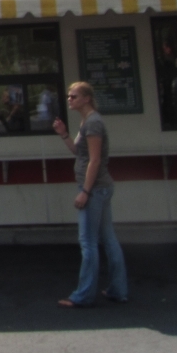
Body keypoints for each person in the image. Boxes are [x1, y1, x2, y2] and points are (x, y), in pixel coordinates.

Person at [54, 81, 128, 308]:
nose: (70, 99)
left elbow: (94, 160)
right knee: (108, 239)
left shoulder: (93, 123)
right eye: (69, 96)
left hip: (94, 189)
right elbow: (81, 154)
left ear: (86, 98)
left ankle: (83, 295)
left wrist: (85, 191)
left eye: (74, 96)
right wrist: (65, 134)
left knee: (88, 243)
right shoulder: (87, 121)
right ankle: (118, 290)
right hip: (100, 188)